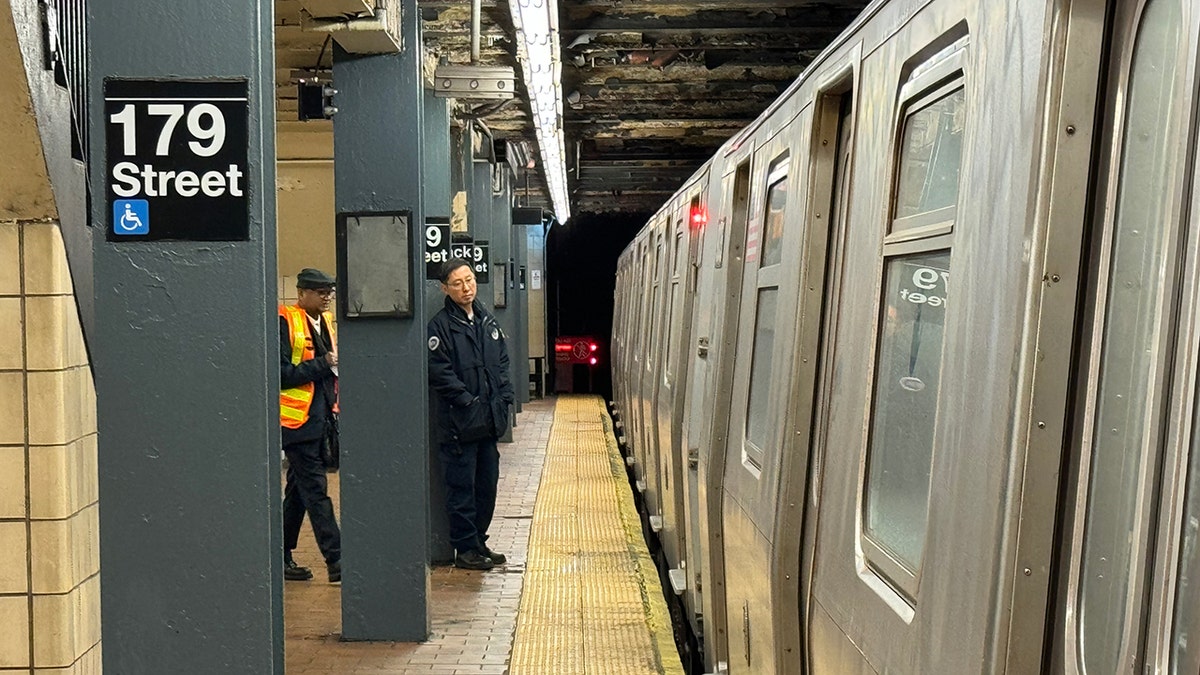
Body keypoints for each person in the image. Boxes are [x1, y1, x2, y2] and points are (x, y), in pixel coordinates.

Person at [428, 258, 515, 570]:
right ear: (445, 288)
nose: (466, 288)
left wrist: (504, 396)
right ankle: (465, 549)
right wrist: (467, 402)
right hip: (459, 426)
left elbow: (501, 363)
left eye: (469, 280)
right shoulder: (440, 327)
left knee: (486, 485)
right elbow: (439, 373)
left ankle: (479, 541)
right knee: (461, 488)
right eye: (457, 283)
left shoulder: (486, 320)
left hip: (488, 422)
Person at [280, 268, 342, 583]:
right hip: (296, 424)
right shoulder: (285, 322)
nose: (326, 297)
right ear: (302, 293)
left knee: (299, 492)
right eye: (320, 292)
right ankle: (338, 560)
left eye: (329, 292)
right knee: (316, 490)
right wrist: (325, 362)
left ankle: (280, 554)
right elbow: (280, 374)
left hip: (320, 421)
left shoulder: (326, 323)